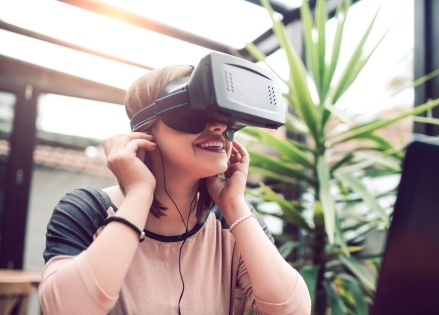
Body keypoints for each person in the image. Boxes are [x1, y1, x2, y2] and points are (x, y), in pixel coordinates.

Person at [38, 65, 311, 314]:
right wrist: (140, 193)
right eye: (195, 113)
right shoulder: (88, 211)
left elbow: (292, 310)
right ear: (144, 131)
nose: (219, 126)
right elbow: (64, 309)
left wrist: (233, 204)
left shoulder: (231, 222)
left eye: (227, 118)